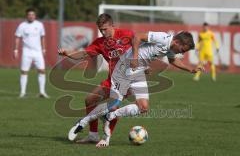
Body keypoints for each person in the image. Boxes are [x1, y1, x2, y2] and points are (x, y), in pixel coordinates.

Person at [67, 31, 204, 148]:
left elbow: (173, 60)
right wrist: (135, 57)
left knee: (143, 107)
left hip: (138, 71)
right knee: (113, 104)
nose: (182, 53)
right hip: (124, 68)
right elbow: (138, 36)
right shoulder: (162, 38)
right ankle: (83, 122)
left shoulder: (171, 47)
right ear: (177, 42)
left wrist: (190, 69)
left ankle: (110, 116)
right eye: (183, 50)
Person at [58, 13, 134, 144]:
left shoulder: (127, 34)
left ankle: (106, 138)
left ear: (112, 25)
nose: (103, 33)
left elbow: (142, 45)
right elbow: (83, 54)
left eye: (105, 29)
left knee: (112, 109)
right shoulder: (100, 43)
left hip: (129, 80)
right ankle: (93, 135)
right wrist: (67, 53)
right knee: (90, 99)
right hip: (112, 80)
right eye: (100, 30)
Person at [14, 8, 49, 98]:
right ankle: (22, 92)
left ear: (35, 16)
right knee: (24, 71)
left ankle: (42, 92)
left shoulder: (40, 25)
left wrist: (44, 49)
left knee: (42, 70)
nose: (31, 16)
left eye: (33, 15)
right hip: (27, 52)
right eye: (29, 15)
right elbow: (17, 37)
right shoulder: (22, 25)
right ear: (27, 16)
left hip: (38, 52)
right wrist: (16, 50)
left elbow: (43, 37)